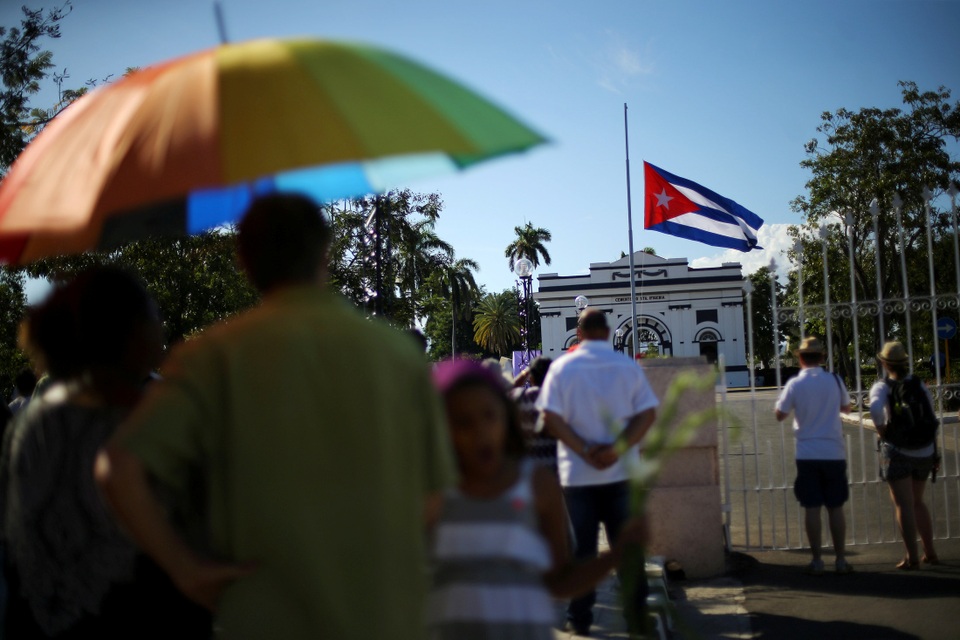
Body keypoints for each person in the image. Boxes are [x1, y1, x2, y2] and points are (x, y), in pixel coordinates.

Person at [96, 194, 456, 640]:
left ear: (244, 259)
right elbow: (437, 499)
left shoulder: (210, 358)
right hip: (387, 615)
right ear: (325, 252)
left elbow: (118, 468)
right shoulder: (399, 354)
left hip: (259, 617)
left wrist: (185, 570)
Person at [0, 267, 209, 638]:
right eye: (151, 312)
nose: (159, 324)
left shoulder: (32, 423)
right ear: (128, 332)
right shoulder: (137, 425)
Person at [427, 360, 645, 640]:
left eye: (489, 416)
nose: (480, 432)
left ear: (505, 417)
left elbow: (558, 581)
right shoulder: (431, 493)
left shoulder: (536, 485)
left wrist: (615, 555)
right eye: (463, 421)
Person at [536, 308, 658, 636]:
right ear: (606, 333)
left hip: (578, 476)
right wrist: (616, 449)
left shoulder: (562, 368)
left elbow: (549, 418)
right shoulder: (627, 366)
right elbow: (647, 414)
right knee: (628, 549)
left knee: (582, 552)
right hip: (621, 474)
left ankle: (580, 620)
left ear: (579, 334)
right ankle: (636, 616)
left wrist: (584, 449)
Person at [774, 336, 853, 575]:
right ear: (822, 357)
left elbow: (780, 414)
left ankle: (817, 560)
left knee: (811, 507)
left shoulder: (795, 384)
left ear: (800, 358)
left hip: (807, 452)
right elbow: (847, 408)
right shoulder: (835, 380)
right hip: (833, 451)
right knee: (835, 507)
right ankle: (840, 559)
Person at [869, 341, 940, 570]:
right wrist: (934, 450)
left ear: (883, 362)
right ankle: (930, 552)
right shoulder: (919, 385)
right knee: (918, 502)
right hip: (925, 450)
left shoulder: (882, 387)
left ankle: (911, 557)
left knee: (903, 505)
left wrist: (883, 432)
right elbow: (930, 416)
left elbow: (875, 410)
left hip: (898, 450)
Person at [509, 356, 557, 474]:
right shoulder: (557, 399)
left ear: (531, 378)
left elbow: (505, 390)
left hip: (529, 471)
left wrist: (525, 372)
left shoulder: (521, 397)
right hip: (555, 470)